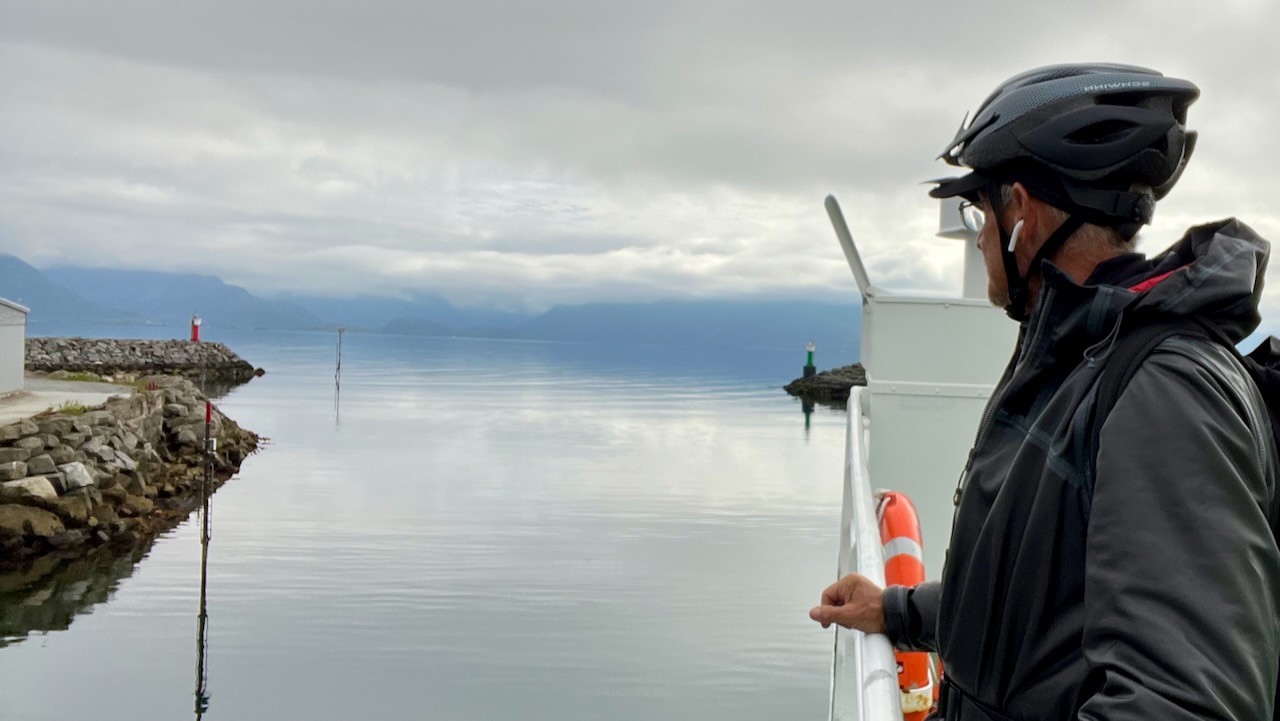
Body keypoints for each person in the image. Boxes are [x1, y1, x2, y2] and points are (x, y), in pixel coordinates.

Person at [809, 63, 1280, 720]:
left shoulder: (1163, 392)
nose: (980, 235)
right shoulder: (1080, 360)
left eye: (982, 210)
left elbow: (1180, 701)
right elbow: (1034, 601)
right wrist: (896, 610)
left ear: (1021, 214)